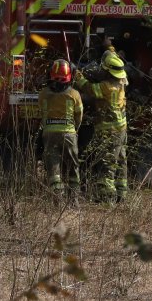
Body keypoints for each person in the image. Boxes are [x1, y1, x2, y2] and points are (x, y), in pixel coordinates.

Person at [77, 38, 128, 202]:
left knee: (107, 164)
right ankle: (122, 193)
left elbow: (88, 88)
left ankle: (106, 200)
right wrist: (109, 47)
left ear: (107, 72)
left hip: (109, 130)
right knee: (121, 160)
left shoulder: (106, 87)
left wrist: (77, 75)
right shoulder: (122, 80)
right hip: (122, 128)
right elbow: (114, 60)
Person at [39, 59, 83, 201]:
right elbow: (79, 115)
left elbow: (41, 112)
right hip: (69, 134)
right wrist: (74, 128)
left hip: (49, 134)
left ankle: (57, 200)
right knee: (73, 167)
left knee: (53, 168)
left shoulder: (43, 93)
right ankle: (74, 200)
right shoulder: (74, 94)